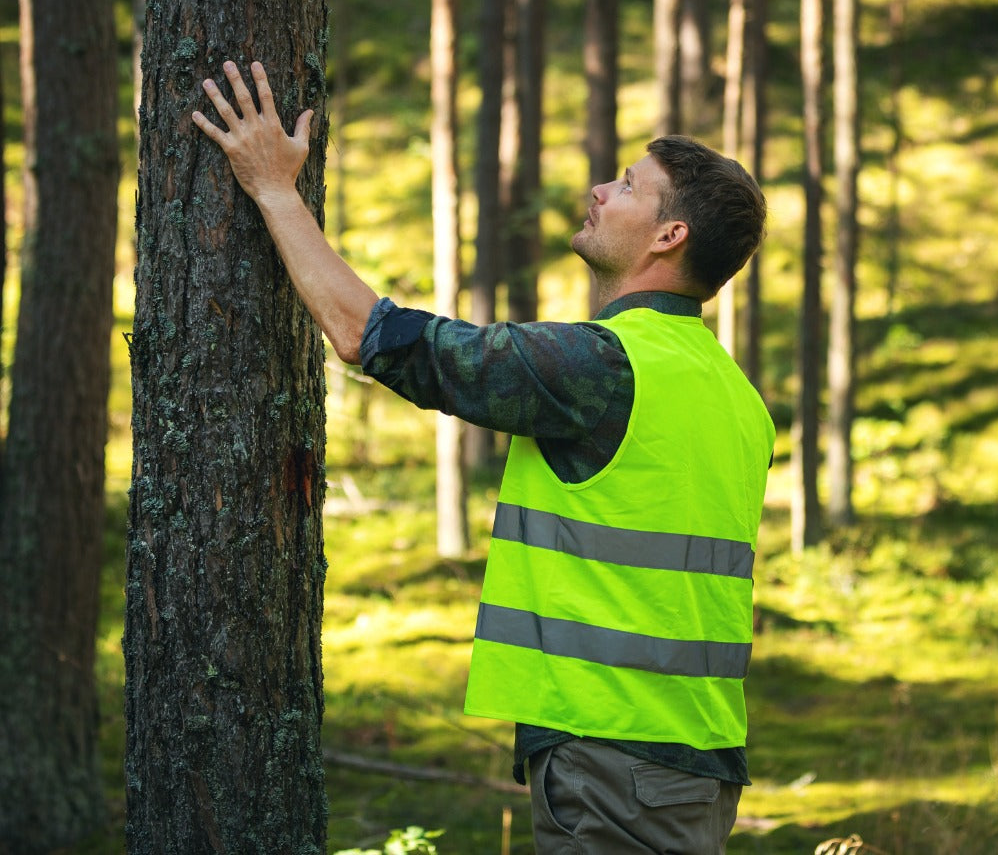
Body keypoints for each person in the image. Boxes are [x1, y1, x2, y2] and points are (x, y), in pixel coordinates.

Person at [193, 60, 775, 855]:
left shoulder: (605, 368)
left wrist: (274, 192)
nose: (601, 190)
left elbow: (375, 337)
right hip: (691, 763)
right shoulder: (733, 393)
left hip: (615, 762)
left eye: (629, 187)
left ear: (670, 236)